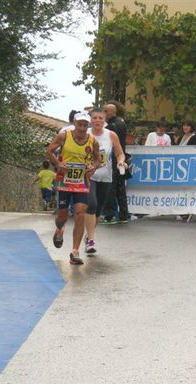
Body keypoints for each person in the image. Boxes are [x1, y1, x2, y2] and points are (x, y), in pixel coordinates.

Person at [46, 112, 101, 265]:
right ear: (75, 123)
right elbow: (49, 151)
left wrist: (93, 168)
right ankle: (59, 229)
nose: (82, 128)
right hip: (64, 181)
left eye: (85, 125)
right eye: (80, 124)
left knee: (79, 213)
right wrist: (58, 164)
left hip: (82, 182)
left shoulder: (93, 142)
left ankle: (75, 251)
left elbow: (98, 160)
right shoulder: (64, 136)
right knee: (62, 216)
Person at [84, 108, 127, 254]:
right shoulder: (86, 134)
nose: (97, 121)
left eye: (100, 118)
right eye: (94, 118)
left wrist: (121, 162)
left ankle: (88, 235)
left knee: (97, 211)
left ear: (104, 120)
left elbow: (120, 153)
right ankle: (91, 240)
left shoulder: (111, 135)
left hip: (106, 176)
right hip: (89, 175)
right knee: (91, 205)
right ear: (90, 120)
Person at [102, 100, 130, 224]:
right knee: (120, 187)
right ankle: (124, 215)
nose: (104, 114)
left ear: (111, 112)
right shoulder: (122, 123)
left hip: (113, 159)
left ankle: (109, 215)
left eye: (105, 111)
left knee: (110, 188)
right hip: (121, 159)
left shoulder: (111, 126)